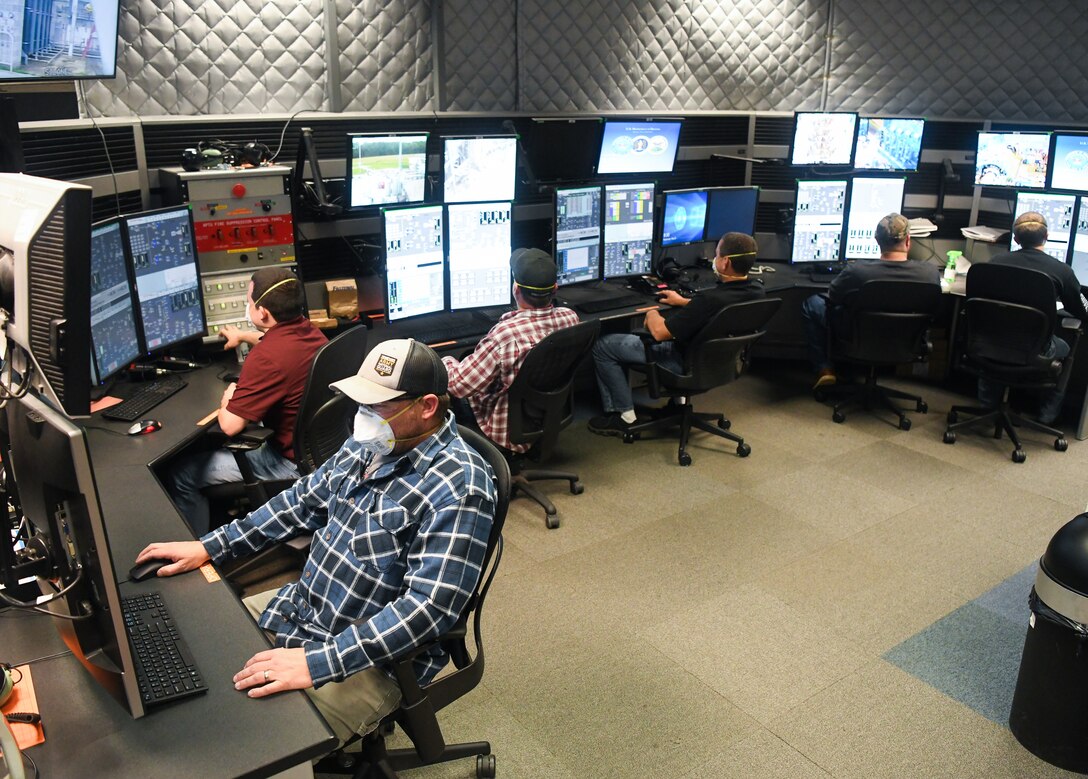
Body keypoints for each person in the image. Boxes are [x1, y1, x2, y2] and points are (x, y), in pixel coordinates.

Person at [135, 338, 497, 747]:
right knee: (192, 640)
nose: (363, 418)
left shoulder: (461, 487)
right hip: (306, 608)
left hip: (377, 660)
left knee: (243, 744)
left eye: (376, 407)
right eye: (361, 404)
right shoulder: (374, 442)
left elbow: (427, 610)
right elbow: (301, 502)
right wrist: (211, 546)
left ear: (427, 406)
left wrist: (318, 663)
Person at [167, 267, 327, 536]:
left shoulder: (266, 358)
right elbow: (274, 339)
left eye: (249, 302)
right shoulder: (312, 333)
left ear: (262, 312)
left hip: (287, 463)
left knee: (181, 475)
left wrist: (229, 398)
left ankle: (202, 557)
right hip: (321, 454)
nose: (248, 306)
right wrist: (242, 336)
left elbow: (229, 426)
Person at [588, 232, 765, 437]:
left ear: (725, 263)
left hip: (681, 364)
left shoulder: (710, 299)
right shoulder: (757, 291)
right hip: (722, 364)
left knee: (604, 346)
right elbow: (720, 308)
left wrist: (651, 312)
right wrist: (684, 302)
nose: (714, 260)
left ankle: (624, 417)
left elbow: (661, 333)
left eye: (716, 255)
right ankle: (679, 403)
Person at [443, 247, 580, 452]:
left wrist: (444, 361)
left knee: (453, 375)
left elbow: (458, 387)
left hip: (504, 432)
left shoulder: (505, 336)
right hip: (548, 417)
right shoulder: (570, 318)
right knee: (473, 361)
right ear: (555, 289)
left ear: (516, 289)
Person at [800, 212, 940, 388]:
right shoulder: (929, 273)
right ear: (908, 241)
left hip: (859, 339)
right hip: (903, 342)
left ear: (877, 241)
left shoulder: (857, 271)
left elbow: (834, 297)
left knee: (813, 303)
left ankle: (825, 369)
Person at [978, 211, 1088, 424]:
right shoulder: (1062, 271)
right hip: (1035, 349)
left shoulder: (994, 262)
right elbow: (1082, 311)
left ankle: (986, 407)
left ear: (1016, 238)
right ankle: (1047, 416)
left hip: (990, 344)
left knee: (997, 339)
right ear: (1046, 236)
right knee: (1067, 346)